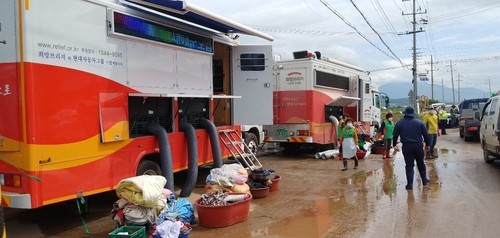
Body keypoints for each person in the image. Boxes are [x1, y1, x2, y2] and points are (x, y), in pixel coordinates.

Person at [393, 106, 430, 190]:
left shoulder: (399, 123)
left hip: (407, 146)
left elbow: (395, 135)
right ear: (413, 114)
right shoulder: (419, 122)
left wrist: (394, 144)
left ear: (405, 113)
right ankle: (424, 180)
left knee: (409, 165)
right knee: (420, 163)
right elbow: (425, 135)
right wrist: (428, 144)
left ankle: (410, 184)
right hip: (418, 145)